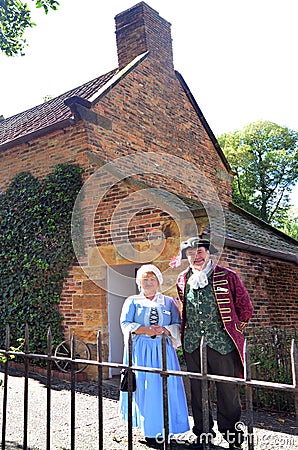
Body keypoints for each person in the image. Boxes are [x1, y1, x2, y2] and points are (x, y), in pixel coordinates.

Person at [171, 237, 254, 450]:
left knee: (228, 391)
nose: (196, 257)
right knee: (198, 392)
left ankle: (232, 436)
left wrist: (233, 331)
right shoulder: (182, 279)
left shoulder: (228, 276)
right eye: (191, 253)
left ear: (208, 253)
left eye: (199, 252)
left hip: (222, 344)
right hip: (192, 345)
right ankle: (203, 434)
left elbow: (245, 308)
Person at [119, 264, 190, 448]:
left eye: (152, 279)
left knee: (166, 387)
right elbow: (126, 323)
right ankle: (150, 430)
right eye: (145, 279)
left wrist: (165, 329)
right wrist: (145, 330)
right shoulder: (133, 301)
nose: (149, 283)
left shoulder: (168, 302)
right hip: (141, 351)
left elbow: (177, 324)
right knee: (146, 388)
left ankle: (169, 428)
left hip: (163, 350)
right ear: (139, 282)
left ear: (158, 282)